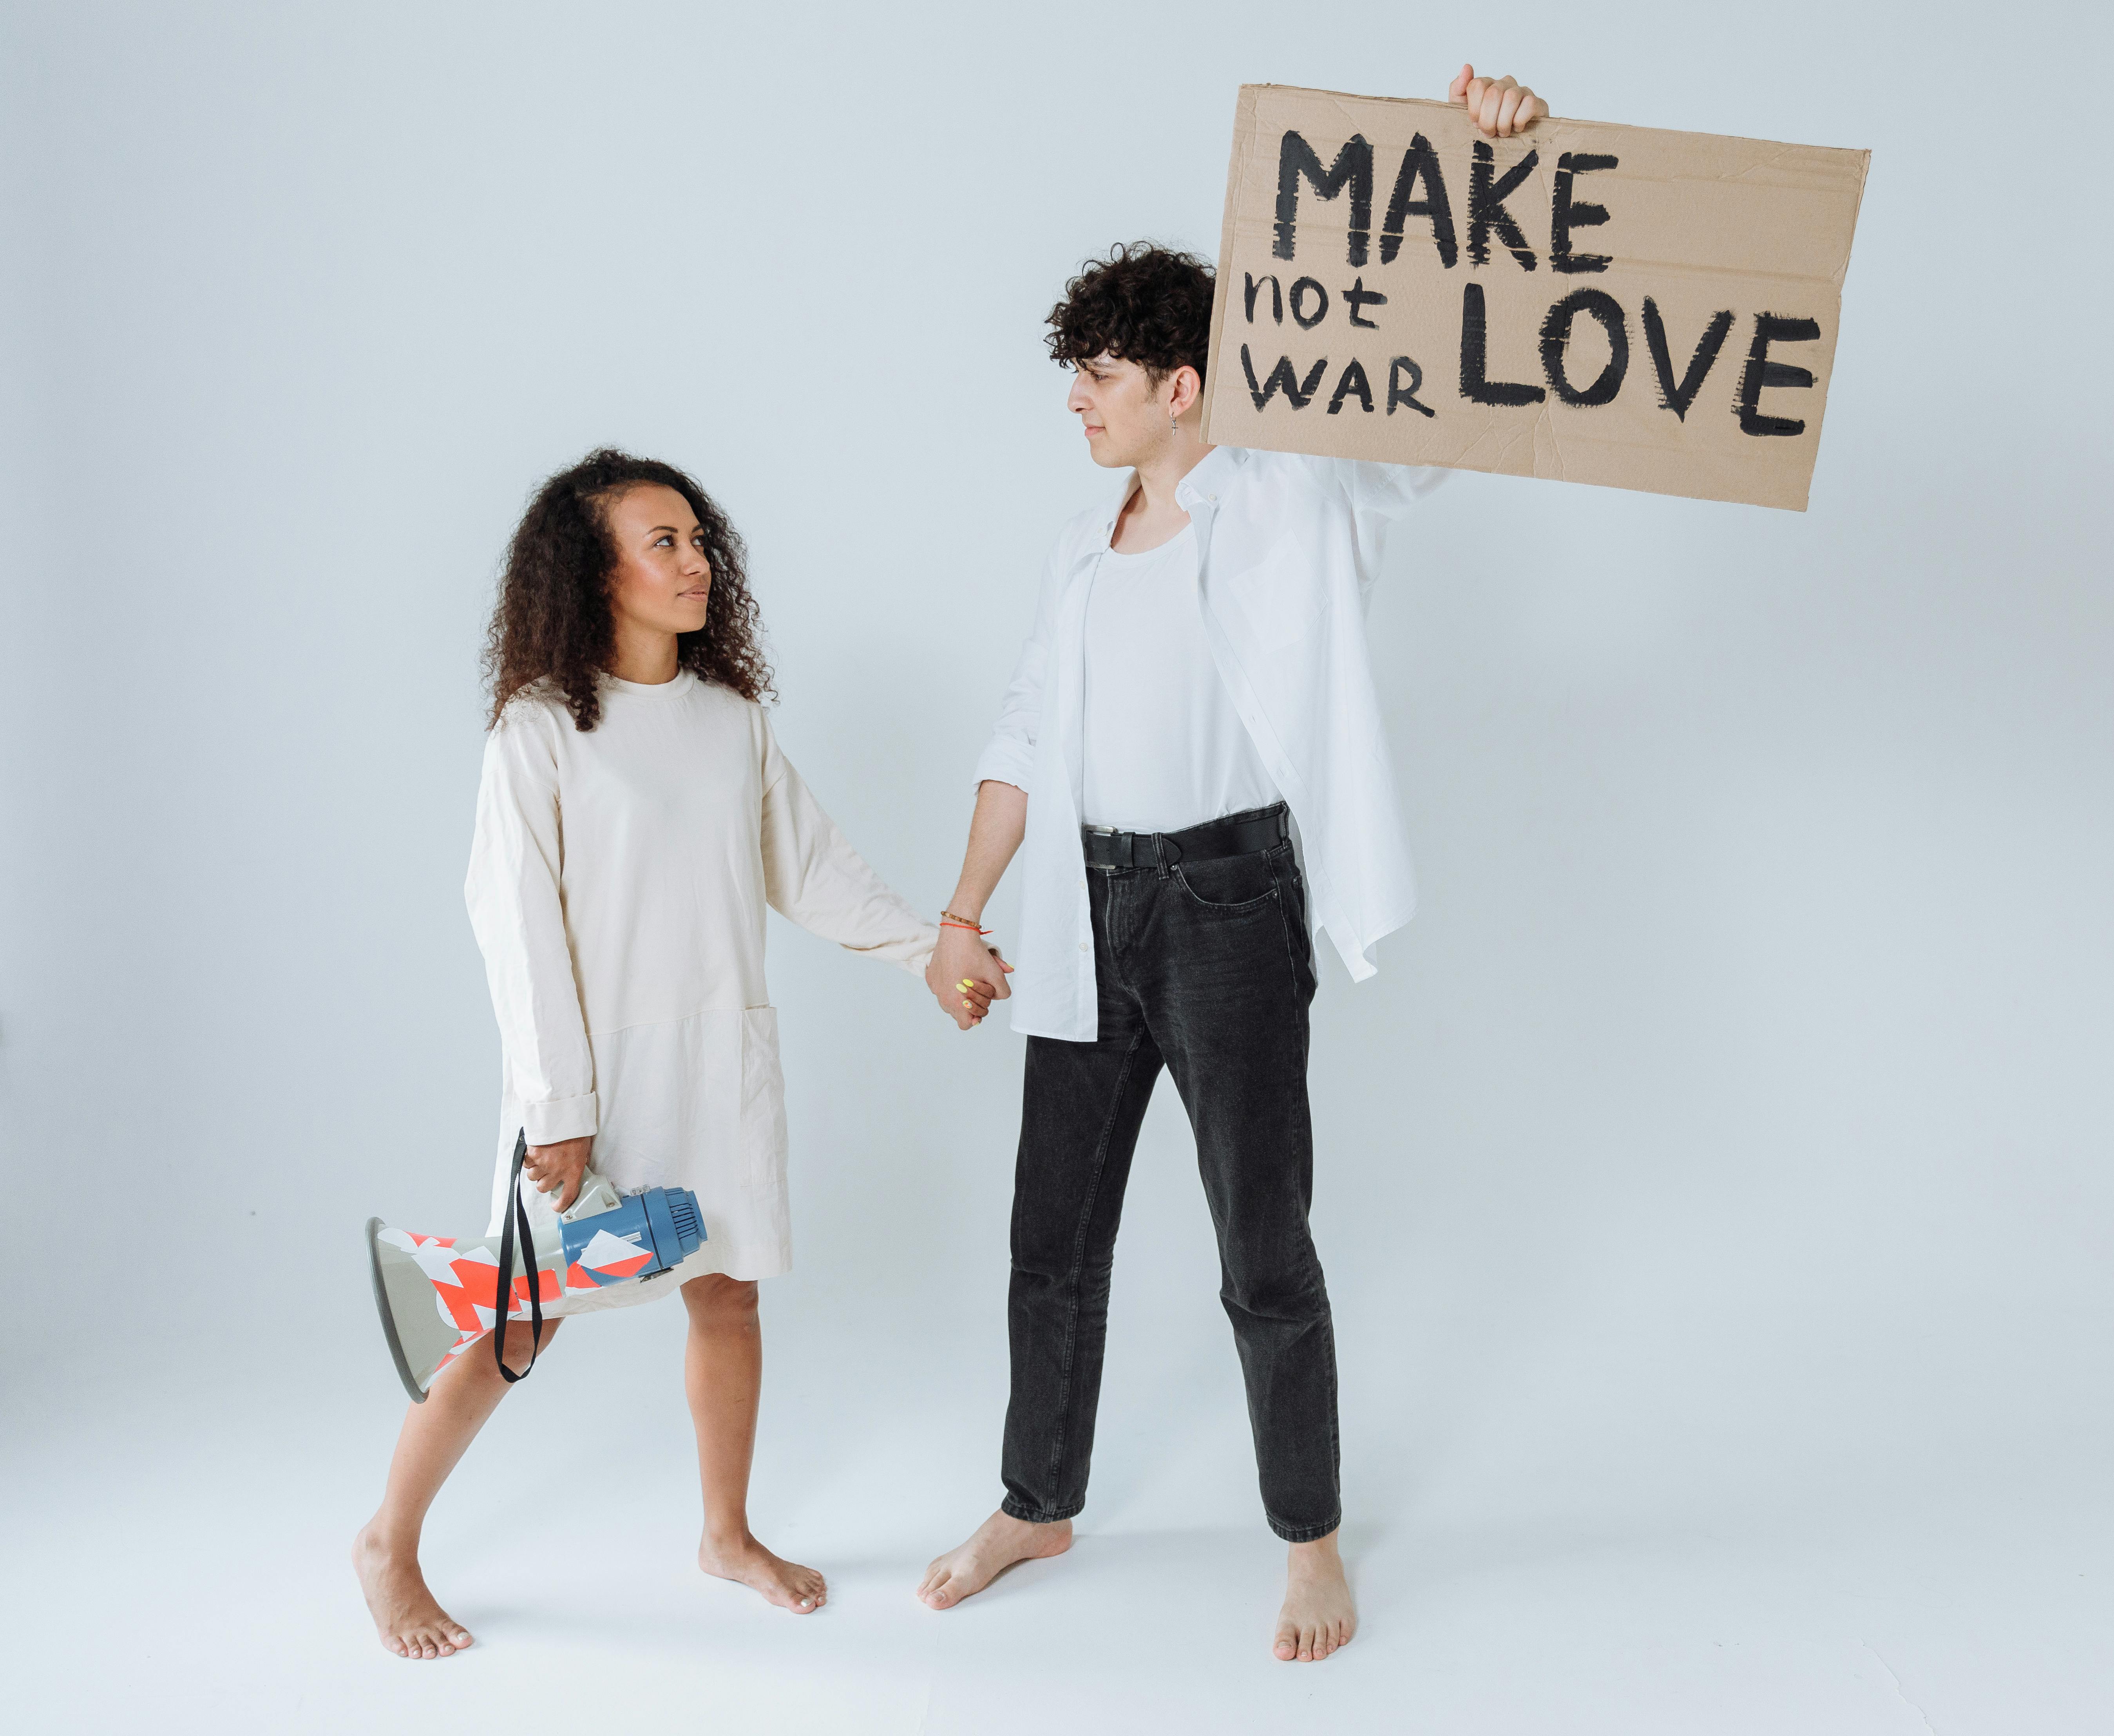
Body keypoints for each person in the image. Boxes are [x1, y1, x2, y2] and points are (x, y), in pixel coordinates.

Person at [912, 67, 1549, 1663]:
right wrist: (966, 907)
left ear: (1187, 384)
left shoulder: (1294, 494)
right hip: (1087, 909)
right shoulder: (1078, 554)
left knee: (1262, 1241)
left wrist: (1488, 172)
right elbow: (1019, 741)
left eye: (1104, 377)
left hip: (1229, 908)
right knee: (1049, 1231)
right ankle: (1035, 1495)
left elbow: (1436, 411)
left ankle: (1309, 1538)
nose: (1080, 402)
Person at [353, 449, 939, 1659]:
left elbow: (815, 871)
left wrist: (930, 951)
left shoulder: (734, 724)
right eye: (662, 542)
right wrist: (558, 1104)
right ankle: (387, 1544)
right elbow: (511, 925)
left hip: (718, 1069)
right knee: (519, 1323)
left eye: (698, 538)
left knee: (728, 1298)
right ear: (593, 572)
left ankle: (726, 1535)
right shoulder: (538, 732)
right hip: (588, 1088)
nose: (696, 561)